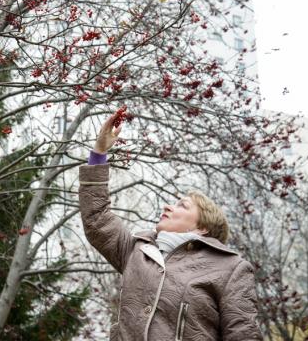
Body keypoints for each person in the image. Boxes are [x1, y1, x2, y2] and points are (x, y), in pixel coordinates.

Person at [78, 112, 263, 341]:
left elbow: (243, 333)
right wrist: (99, 153)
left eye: (182, 206)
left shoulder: (230, 268)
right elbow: (96, 218)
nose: (167, 207)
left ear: (203, 227)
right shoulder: (135, 251)